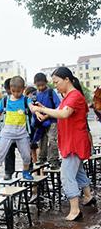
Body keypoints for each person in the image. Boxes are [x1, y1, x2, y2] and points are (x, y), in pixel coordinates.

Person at [31, 67, 95, 221]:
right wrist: (41, 112)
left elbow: (64, 113)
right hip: (71, 140)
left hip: (74, 142)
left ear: (67, 79)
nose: (55, 86)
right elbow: (57, 111)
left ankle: (75, 210)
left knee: (66, 175)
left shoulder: (74, 96)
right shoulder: (67, 97)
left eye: (56, 82)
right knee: (78, 171)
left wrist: (43, 109)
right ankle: (88, 197)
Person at [0, 76, 34, 190]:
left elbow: (32, 108)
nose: (16, 93)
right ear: (10, 89)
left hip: (22, 134)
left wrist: (37, 111)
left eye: (19, 91)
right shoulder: (5, 100)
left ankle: (25, 171)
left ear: (24, 89)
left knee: (27, 156)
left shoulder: (25, 100)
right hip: (7, 133)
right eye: (14, 91)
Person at [33, 72, 61, 169]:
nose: (41, 87)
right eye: (38, 85)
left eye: (42, 85)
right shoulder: (34, 95)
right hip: (40, 122)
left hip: (52, 120)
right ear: (35, 84)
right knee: (42, 141)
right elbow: (32, 108)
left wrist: (47, 115)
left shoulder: (51, 92)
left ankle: (54, 160)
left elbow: (58, 106)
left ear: (46, 82)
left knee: (52, 140)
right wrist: (38, 115)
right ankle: (42, 158)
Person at [1, 78, 17, 180]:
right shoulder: (5, 100)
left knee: (25, 151)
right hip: (9, 131)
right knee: (8, 151)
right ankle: (8, 172)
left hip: (22, 130)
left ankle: (28, 168)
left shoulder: (24, 99)